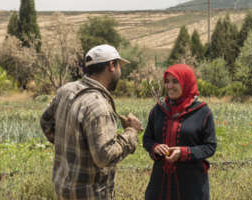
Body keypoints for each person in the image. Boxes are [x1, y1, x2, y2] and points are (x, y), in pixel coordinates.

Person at [40, 44, 142, 200]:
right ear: (111, 66)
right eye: (119, 66)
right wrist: (131, 132)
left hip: (63, 190)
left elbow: (45, 121)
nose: (121, 72)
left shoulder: (66, 90)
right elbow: (104, 157)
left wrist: (72, 145)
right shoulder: (98, 106)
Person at [143, 64, 217, 200]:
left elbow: (210, 147)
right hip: (160, 184)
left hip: (191, 186)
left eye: (175, 81)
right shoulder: (158, 110)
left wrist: (183, 153)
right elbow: (147, 139)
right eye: (167, 81)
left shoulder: (202, 112)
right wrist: (155, 147)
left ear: (186, 83)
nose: (170, 86)